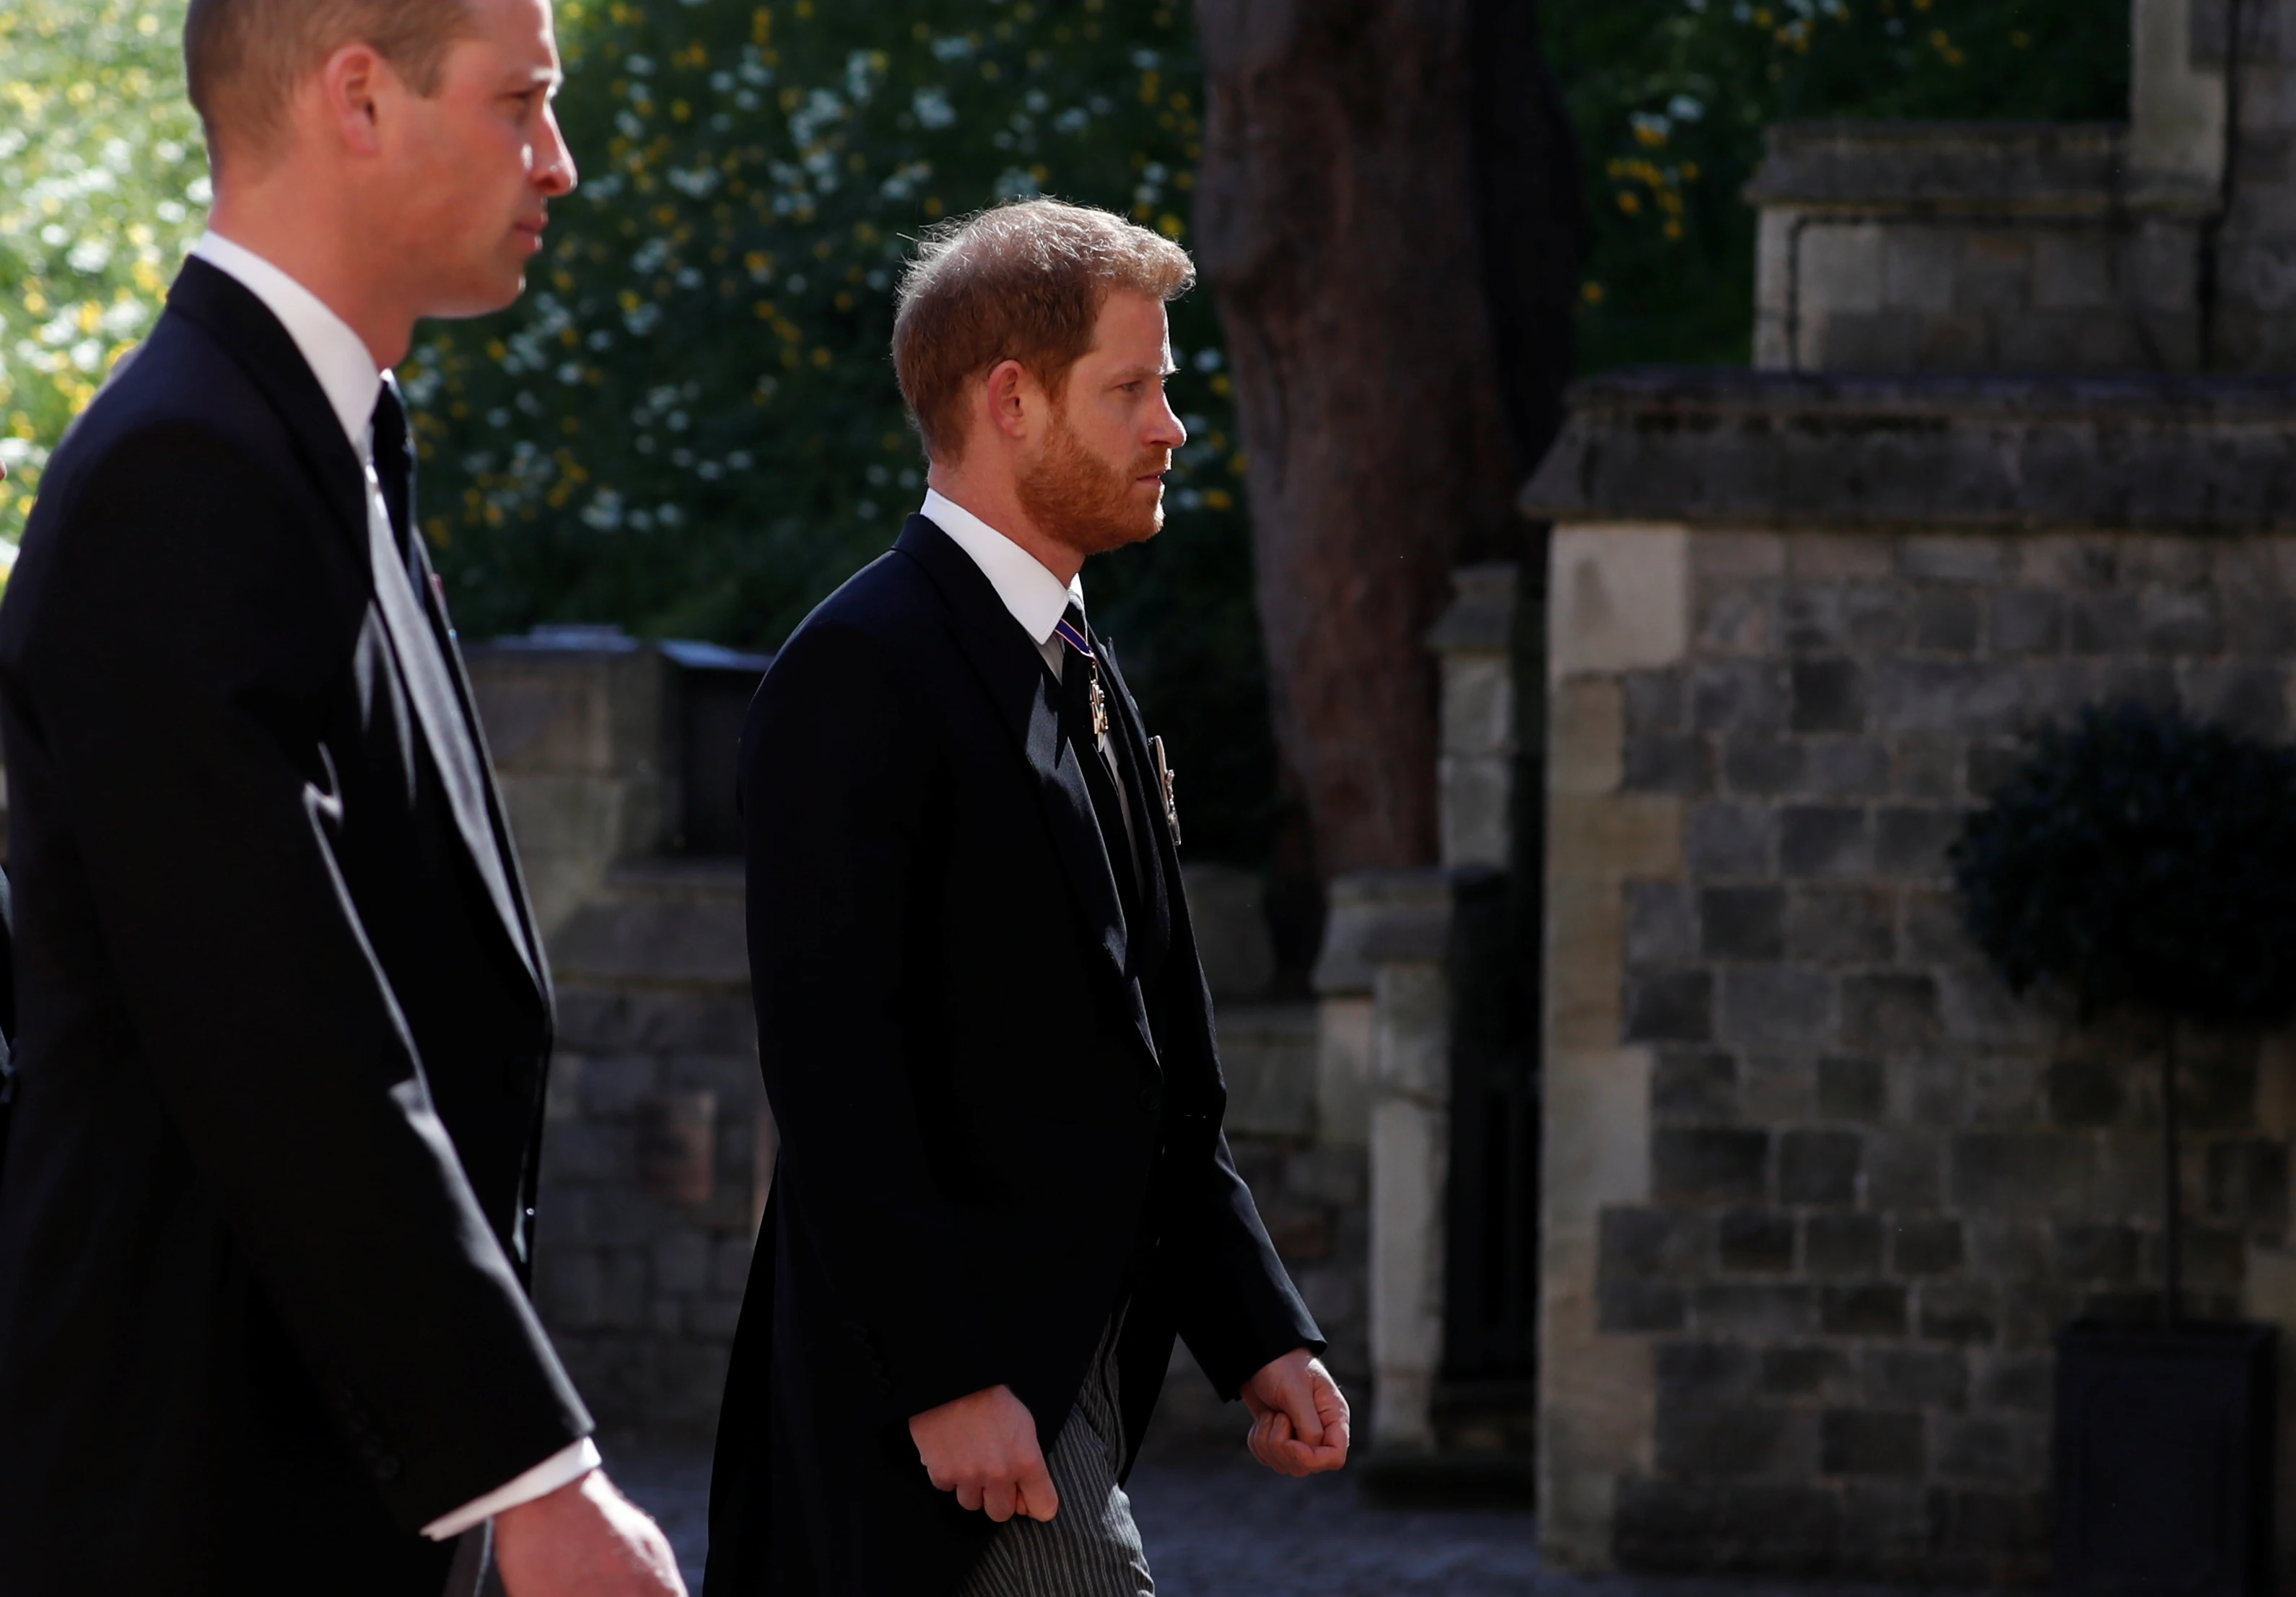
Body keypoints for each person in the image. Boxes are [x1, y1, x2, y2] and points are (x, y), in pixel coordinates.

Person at [0, 0, 684, 1591]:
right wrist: (535, 1472)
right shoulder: (187, 472)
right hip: (202, 1497)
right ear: (358, 99)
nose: (558, 163)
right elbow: (277, 1027)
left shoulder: (317, 447)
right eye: (522, 103)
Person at [704, 198, 1348, 1595]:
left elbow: (1158, 1071)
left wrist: (1258, 1334)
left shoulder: (1083, 662)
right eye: (1132, 389)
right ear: (1011, 399)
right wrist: (944, 1380)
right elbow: (832, 1075)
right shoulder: (859, 671)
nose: (1171, 426)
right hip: (947, 1419)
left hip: (1073, 1382)